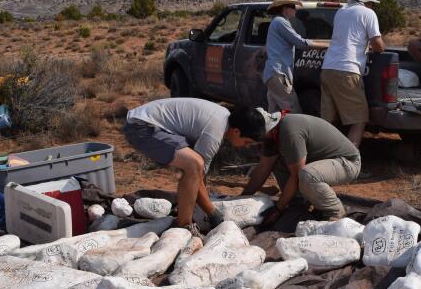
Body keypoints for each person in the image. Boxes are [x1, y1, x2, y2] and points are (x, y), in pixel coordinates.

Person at [225, 107, 361, 224]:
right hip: (321, 164)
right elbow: (262, 169)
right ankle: (298, 203)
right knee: (277, 161)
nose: (247, 145)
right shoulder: (271, 133)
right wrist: (240, 200)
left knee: (307, 175)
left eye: (248, 142)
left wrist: (278, 208)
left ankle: (335, 211)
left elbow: (296, 176)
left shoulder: (289, 132)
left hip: (347, 162)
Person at [123, 98, 228, 237]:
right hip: (141, 127)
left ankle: (186, 216)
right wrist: (213, 214)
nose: (245, 146)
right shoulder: (214, 133)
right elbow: (198, 172)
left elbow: (199, 178)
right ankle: (184, 226)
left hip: (145, 123)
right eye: (246, 141)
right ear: (238, 131)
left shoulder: (224, 116)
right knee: (194, 164)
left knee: (194, 166)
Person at [320, 0, 386, 147]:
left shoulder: (341, 11)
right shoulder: (368, 13)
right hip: (347, 69)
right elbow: (378, 45)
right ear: (368, 1)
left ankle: (321, 156)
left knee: (328, 121)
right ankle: (348, 162)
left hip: (328, 68)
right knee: (359, 118)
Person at [263, 0, 327, 113]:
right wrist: (328, 45)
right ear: (284, 8)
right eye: (292, 6)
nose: (295, 9)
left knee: (274, 113)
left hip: (273, 74)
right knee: (294, 112)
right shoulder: (281, 22)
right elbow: (301, 42)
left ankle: (273, 132)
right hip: (279, 73)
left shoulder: (276, 22)